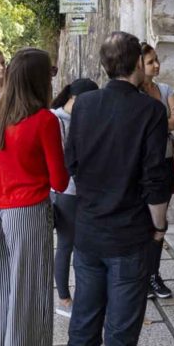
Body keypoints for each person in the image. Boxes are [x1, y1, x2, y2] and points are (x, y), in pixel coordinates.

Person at [65, 31, 170, 346]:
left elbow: (72, 162)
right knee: (120, 342)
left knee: (82, 334)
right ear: (133, 64)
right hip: (128, 238)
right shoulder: (150, 110)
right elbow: (156, 178)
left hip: (88, 235)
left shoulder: (84, 105)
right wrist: (158, 229)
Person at [0, 47, 67, 346]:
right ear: (38, 80)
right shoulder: (44, 120)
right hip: (27, 214)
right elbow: (59, 181)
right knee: (25, 301)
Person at [50, 78, 99, 318]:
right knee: (66, 243)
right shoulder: (56, 119)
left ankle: (83, 296)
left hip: (84, 189)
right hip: (65, 191)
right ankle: (64, 299)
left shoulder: (84, 118)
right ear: (74, 98)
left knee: (82, 244)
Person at [140, 42, 174, 300]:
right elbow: (172, 119)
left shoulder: (164, 89)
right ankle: (141, 276)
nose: (156, 65)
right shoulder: (135, 93)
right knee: (143, 223)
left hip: (165, 163)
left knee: (160, 223)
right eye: (151, 62)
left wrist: (151, 123)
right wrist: (164, 122)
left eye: (157, 60)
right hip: (141, 165)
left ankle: (153, 275)